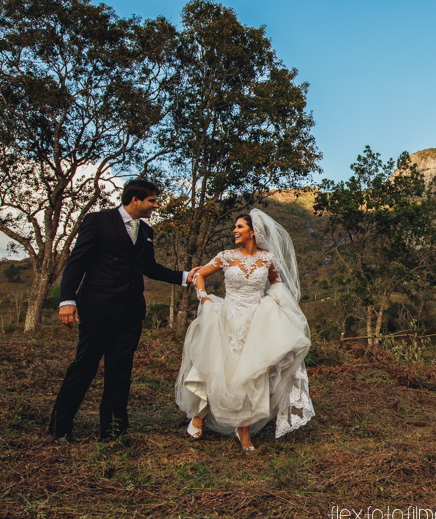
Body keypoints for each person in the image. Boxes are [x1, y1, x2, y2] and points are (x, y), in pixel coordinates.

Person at [48, 179, 194, 444]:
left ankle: (113, 432)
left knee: (120, 372)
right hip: (97, 308)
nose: (155, 205)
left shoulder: (146, 230)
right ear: (135, 199)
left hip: (130, 312)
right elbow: (77, 261)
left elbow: (149, 267)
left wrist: (186, 277)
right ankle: (60, 427)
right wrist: (67, 299)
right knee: (84, 367)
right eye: (151, 200)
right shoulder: (98, 221)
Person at [175, 209, 314, 450]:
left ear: (254, 232)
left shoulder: (268, 259)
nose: (235, 231)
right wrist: (204, 298)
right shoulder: (226, 256)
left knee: (253, 373)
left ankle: (244, 429)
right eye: (235, 227)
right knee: (218, 366)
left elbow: (276, 283)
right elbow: (200, 275)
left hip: (257, 319)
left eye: (240, 227)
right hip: (228, 315)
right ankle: (199, 417)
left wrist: (279, 303)